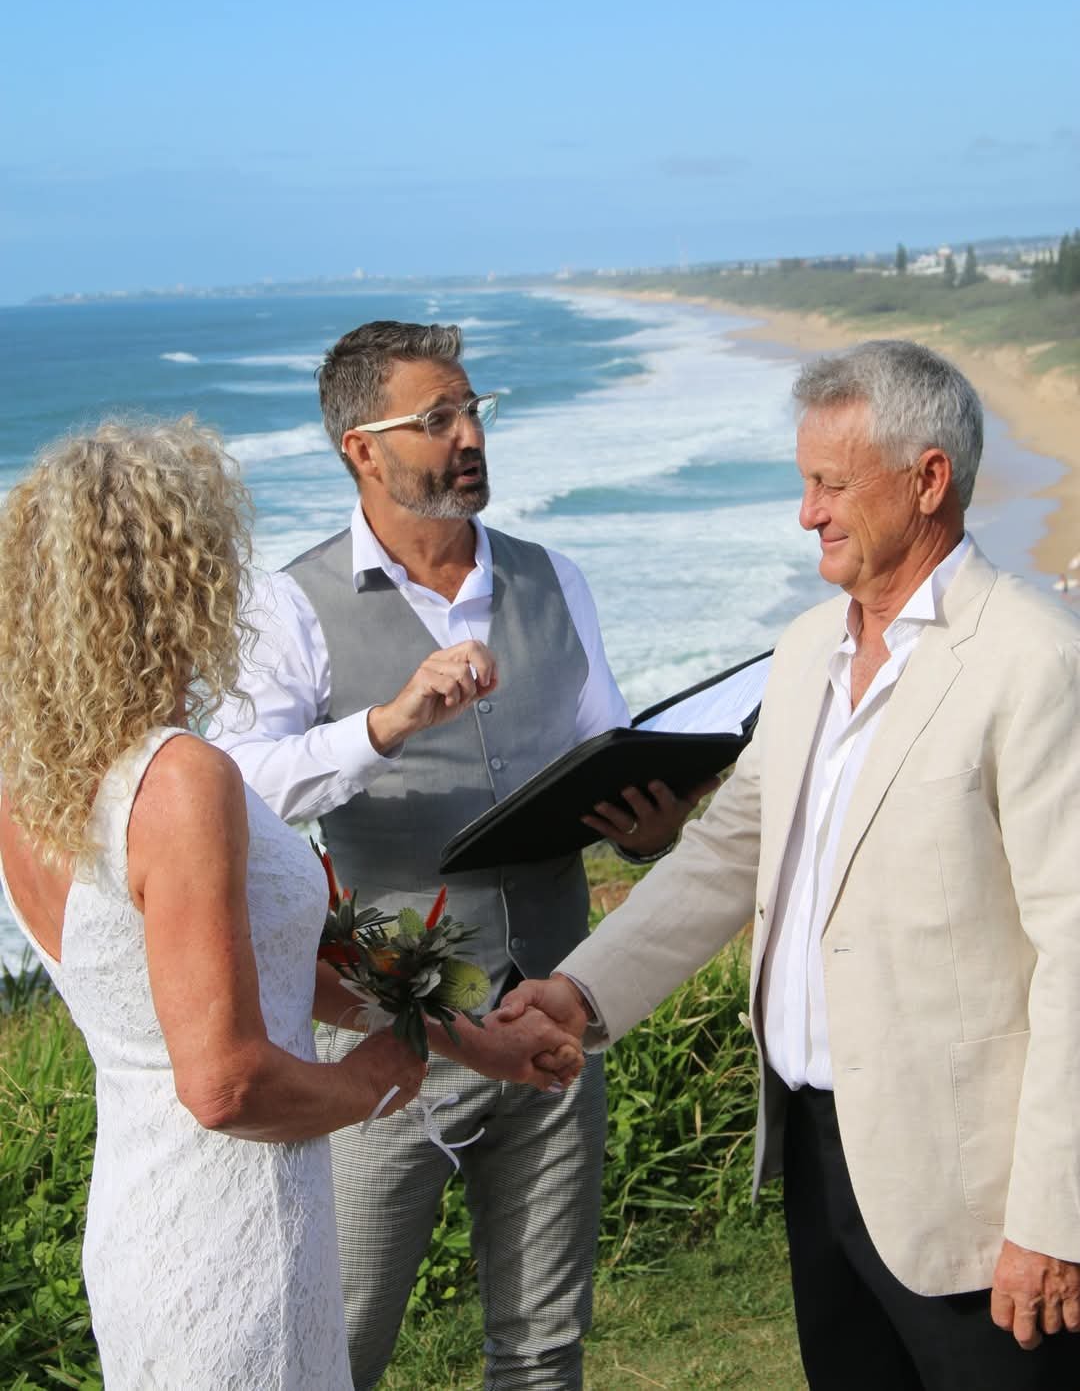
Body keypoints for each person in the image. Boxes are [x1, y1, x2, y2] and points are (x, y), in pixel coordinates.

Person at [500, 340, 1080, 1390]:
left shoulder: (1035, 659)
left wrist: (1056, 1216)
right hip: (820, 1154)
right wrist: (584, 993)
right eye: (802, 483)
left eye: (830, 485)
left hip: (978, 1191)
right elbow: (731, 851)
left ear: (929, 479)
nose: (805, 513)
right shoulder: (809, 645)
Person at [0, 418, 579, 1391]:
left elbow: (288, 955)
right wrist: (374, 1084)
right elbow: (226, 1083)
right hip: (243, 1223)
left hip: (145, 1217)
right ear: (178, 582)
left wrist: (473, 1038)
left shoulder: (33, 780)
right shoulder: (181, 780)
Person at [211, 319, 707, 1390]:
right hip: (385, 1027)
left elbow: (602, 750)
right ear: (361, 448)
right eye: (436, 418)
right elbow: (231, 789)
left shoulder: (554, 578)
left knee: (541, 1348)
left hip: (549, 1012)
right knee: (338, 1339)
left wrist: (655, 825)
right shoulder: (290, 603)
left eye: (474, 409)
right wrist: (381, 728)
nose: (469, 434)